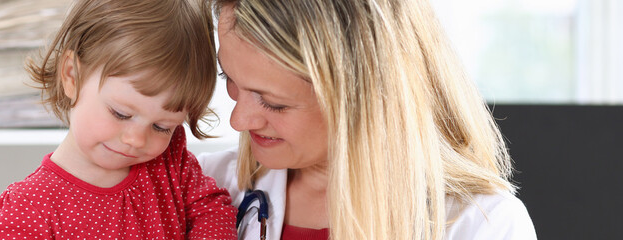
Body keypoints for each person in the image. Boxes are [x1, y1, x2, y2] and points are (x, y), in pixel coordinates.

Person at [198, 0, 538, 239]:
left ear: (369, 97)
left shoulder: (482, 226)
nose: (238, 121)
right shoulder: (200, 188)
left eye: (274, 104)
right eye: (228, 77)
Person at [0, 0, 237, 239]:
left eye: (162, 127)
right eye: (121, 114)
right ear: (72, 76)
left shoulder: (170, 164)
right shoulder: (27, 208)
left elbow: (213, 210)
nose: (136, 139)